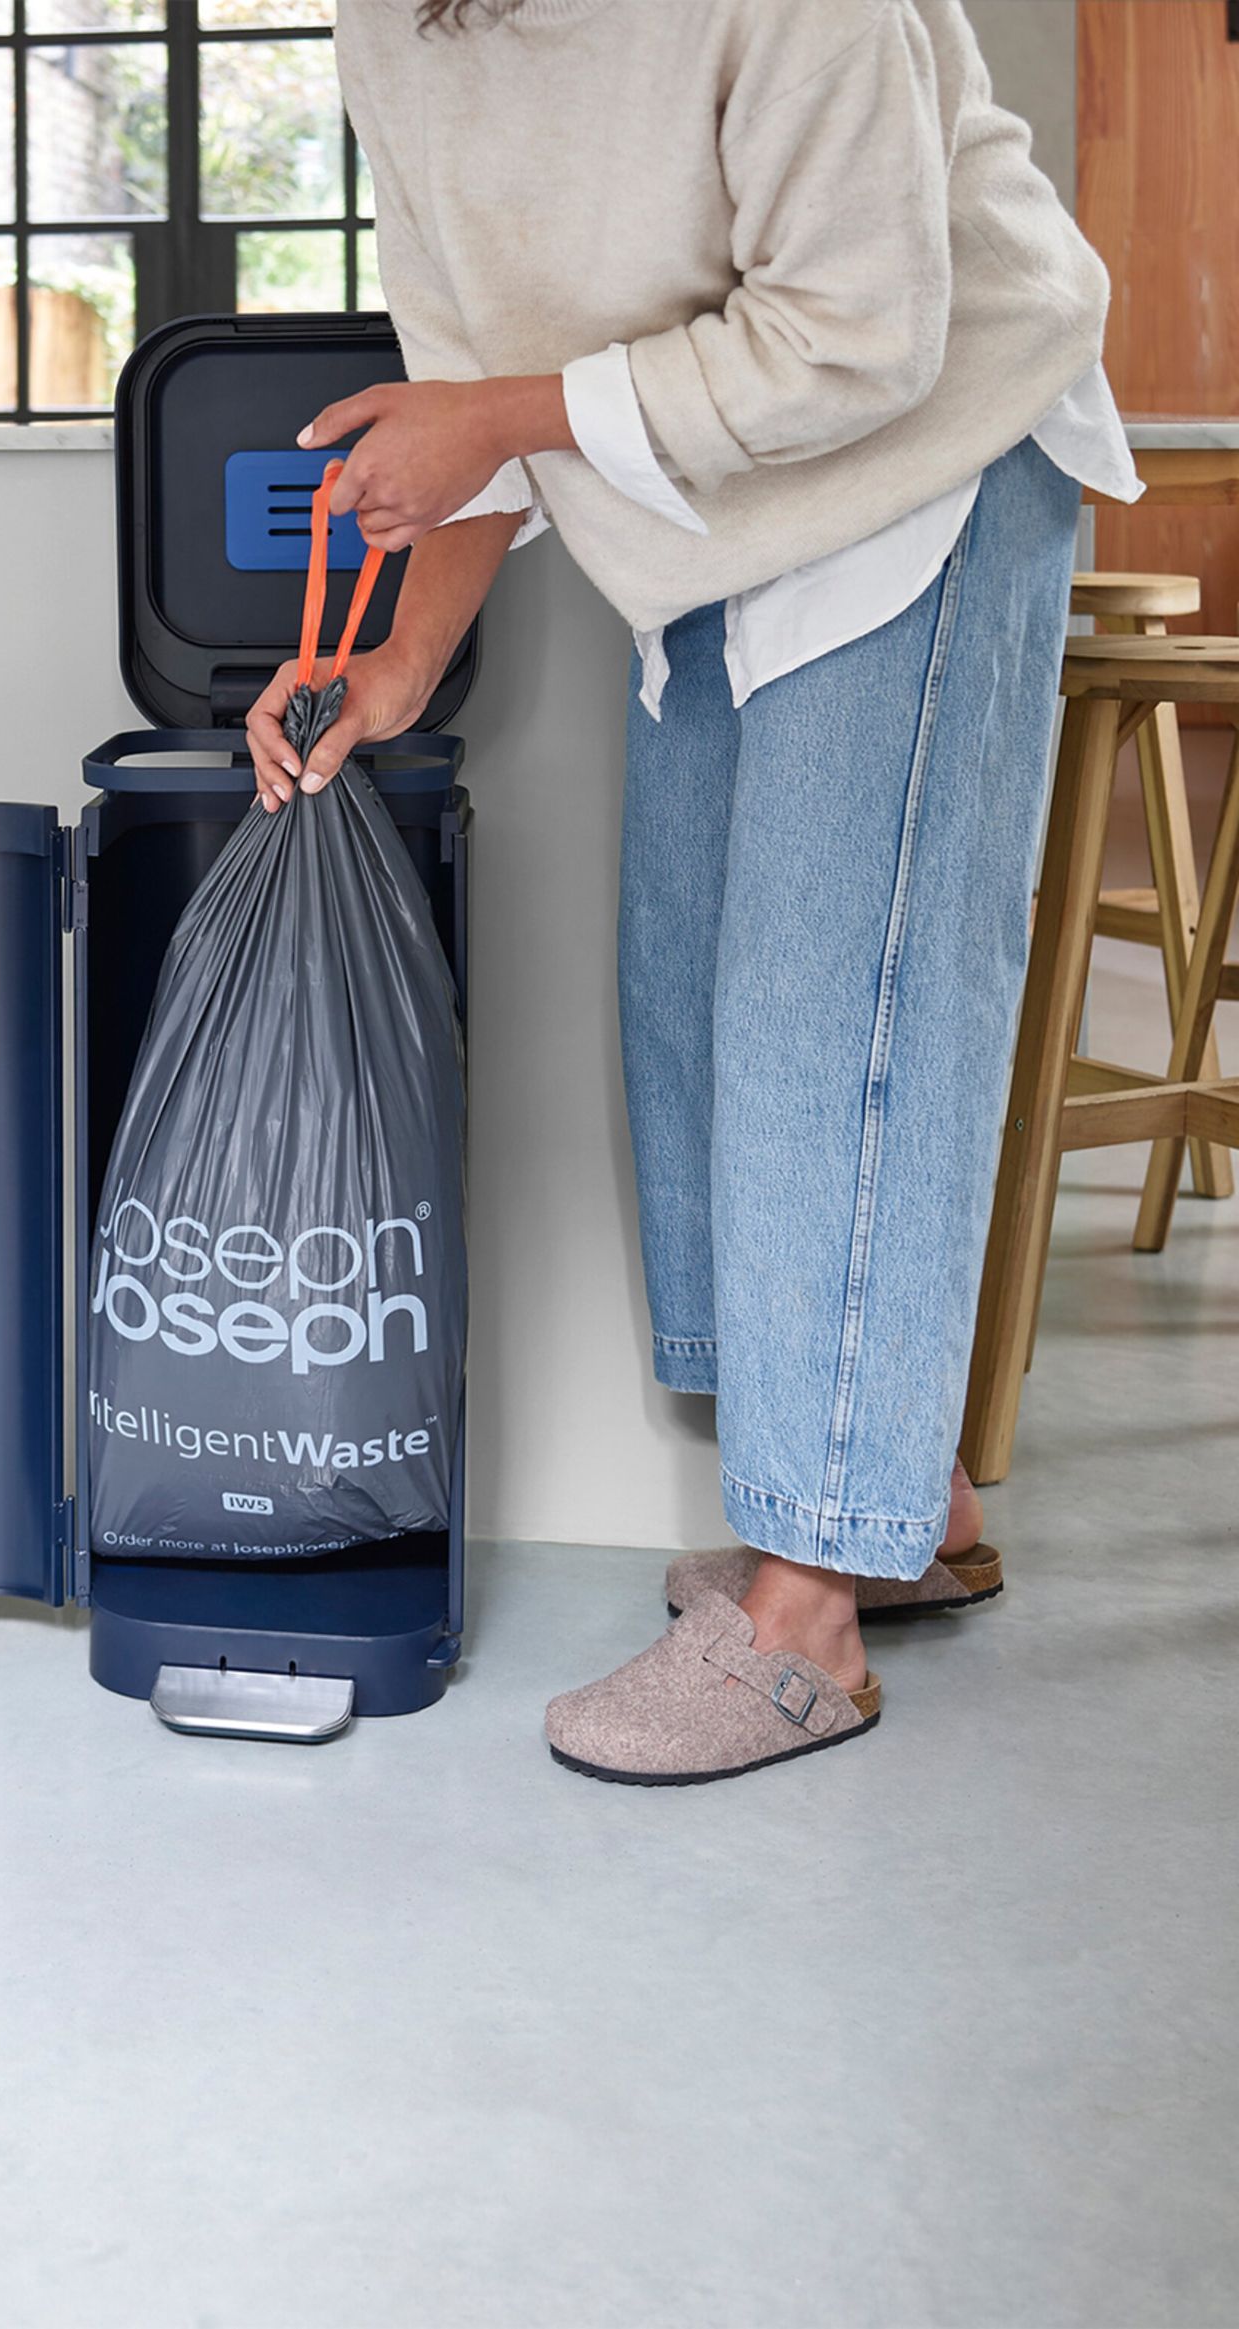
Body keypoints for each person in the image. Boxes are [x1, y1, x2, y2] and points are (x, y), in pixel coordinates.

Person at [242, 0, 1142, 1784]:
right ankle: (903, 1494)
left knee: (842, 1013)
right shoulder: (397, 24)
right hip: (717, 518)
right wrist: (408, 652)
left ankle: (809, 1607)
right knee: (696, 997)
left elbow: (867, 336)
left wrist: (490, 411)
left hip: (931, 459)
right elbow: (473, 379)